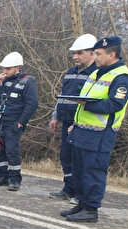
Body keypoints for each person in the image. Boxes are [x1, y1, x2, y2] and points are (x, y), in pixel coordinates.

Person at [61, 36, 128, 223]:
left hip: (100, 134)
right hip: (82, 130)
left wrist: (87, 104)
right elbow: (85, 100)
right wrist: (75, 124)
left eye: (98, 54)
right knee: (79, 169)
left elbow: (115, 104)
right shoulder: (96, 73)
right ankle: (82, 204)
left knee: (93, 171)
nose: (95, 57)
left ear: (112, 54)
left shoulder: (121, 77)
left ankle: (91, 209)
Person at [48, 34, 98, 202]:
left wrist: (77, 122)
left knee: (80, 159)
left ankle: (80, 192)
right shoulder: (70, 72)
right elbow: (63, 96)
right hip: (66, 120)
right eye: (74, 53)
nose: (75, 56)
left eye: (80, 53)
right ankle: (69, 188)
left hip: (82, 123)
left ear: (92, 53)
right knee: (66, 156)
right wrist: (55, 115)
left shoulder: (96, 74)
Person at [0, 51, 39, 191]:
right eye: (4, 68)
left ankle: (15, 179)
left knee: (12, 150)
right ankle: (2, 176)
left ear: (17, 67)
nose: (4, 71)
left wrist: (22, 121)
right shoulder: (3, 81)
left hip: (14, 122)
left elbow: (32, 103)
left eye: (8, 69)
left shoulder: (28, 81)